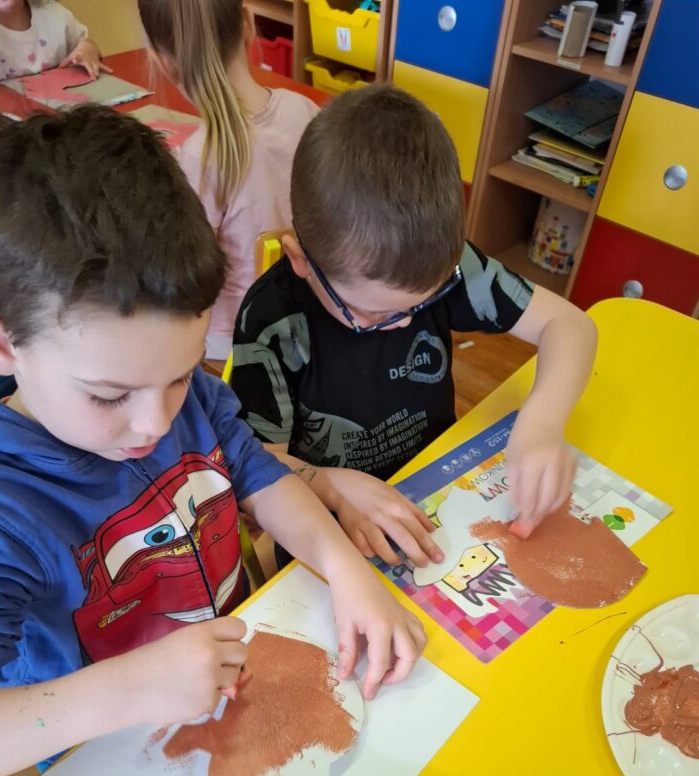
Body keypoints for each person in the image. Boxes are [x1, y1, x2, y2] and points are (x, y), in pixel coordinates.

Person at [0, 104, 426, 776]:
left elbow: (257, 473)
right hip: (111, 768)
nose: (156, 423)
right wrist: (127, 689)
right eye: (110, 395)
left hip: (235, 696)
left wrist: (345, 569)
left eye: (181, 375)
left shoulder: (173, 394)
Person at [231, 84, 598, 563]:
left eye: (423, 302)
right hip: (325, 523)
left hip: (436, 489)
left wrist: (543, 423)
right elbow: (257, 464)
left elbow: (571, 326)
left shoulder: (442, 268)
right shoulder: (272, 322)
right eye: (374, 315)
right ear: (301, 260)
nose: (403, 325)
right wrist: (335, 488)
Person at [138, 0, 318, 361]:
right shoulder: (305, 110)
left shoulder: (200, 157)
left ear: (162, 62)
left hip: (236, 342)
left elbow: (184, 276)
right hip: (310, 319)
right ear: (248, 23)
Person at [0, 0, 109, 85]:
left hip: (57, 118)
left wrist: (87, 49)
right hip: (0, 126)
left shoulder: (52, 11)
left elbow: (85, 44)